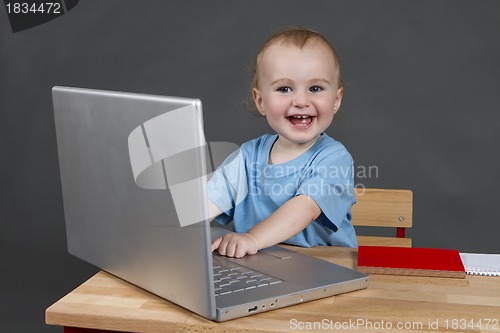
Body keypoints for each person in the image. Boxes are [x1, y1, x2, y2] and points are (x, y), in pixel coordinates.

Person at [208, 27, 357, 258]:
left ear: (336, 100)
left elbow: (305, 208)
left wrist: (252, 238)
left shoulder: (334, 158)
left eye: (315, 88)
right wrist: (174, 225)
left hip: (325, 269)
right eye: (284, 89)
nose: (300, 101)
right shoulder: (247, 156)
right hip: (259, 268)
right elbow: (207, 203)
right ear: (260, 101)